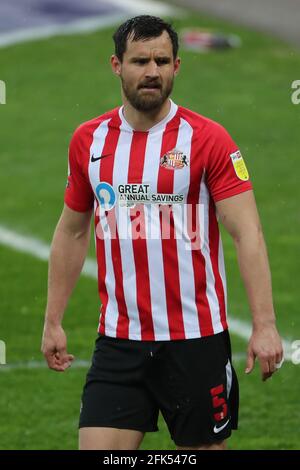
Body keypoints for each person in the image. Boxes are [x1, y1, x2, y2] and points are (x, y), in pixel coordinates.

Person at [41, 15, 283, 451]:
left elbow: (249, 233)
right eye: (140, 61)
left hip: (195, 341)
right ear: (116, 65)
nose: (152, 71)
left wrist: (264, 326)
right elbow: (72, 232)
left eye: (162, 60)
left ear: (177, 66)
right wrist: (52, 320)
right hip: (119, 340)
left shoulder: (208, 139)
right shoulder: (89, 141)